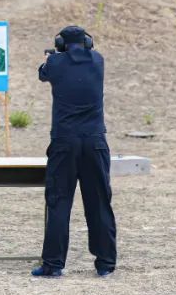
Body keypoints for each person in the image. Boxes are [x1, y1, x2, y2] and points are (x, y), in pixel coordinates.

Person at [33, 25, 117, 278]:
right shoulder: (98, 60)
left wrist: (51, 57)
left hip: (65, 143)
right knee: (99, 202)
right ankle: (105, 264)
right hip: (95, 141)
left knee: (59, 202)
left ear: (60, 43)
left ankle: (54, 265)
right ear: (88, 43)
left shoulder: (55, 63)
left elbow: (42, 74)